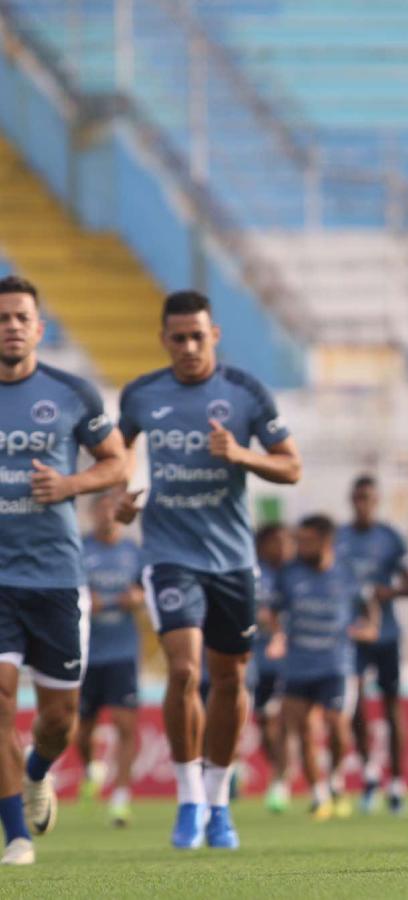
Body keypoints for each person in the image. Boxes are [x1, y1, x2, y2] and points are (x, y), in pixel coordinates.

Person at [116, 290, 301, 850]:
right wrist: (124, 491)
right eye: (179, 337)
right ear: (164, 339)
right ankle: (188, 796)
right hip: (169, 555)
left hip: (232, 561)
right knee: (182, 671)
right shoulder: (142, 394)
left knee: (229, 678)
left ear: (214, 335)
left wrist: (242, 455)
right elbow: (116, 452)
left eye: (199, 336)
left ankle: (219, 802)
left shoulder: (245, 393)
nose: (190, 346)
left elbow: (291, 467)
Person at [0, 275, 126, 866]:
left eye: (22, 317)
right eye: (3, 318)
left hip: (54, 576)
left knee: (59, 720)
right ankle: (15, 838)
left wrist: (70, 484)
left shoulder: (73, 393)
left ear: (39, 328)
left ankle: (37, 771)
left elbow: (117, 462)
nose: (12, 326)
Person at [267, 514, 376, 821]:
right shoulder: (288, 574)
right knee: (301, 729)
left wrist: (369, 628)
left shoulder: (346, 572)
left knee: (337, 726)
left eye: (308, 540)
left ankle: (336, 778)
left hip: (336, 663)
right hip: (298, 665)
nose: (301, 546)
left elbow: (368, 607)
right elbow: (272, 611)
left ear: (326, 542)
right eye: (299, 540)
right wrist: (277, 635)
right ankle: (319, 794)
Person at [335, 475, 408, 816]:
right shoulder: (339, 539)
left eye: (369, 498)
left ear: (376, 501)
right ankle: (368, 772)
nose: (363, 504)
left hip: (387, 634)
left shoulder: (390, 538)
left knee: (392, 706)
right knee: (353, 706)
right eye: (358, 499)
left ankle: (397, 781)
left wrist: (388, 593)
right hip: (351, 634)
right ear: (352, 501)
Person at [75, 492, 144, 828]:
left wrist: (138, 597)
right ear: (91, 514)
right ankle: (91, 767)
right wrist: (85, 601)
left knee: (125, 724)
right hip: (86, 652)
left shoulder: (134, 551)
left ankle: (121, 798)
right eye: (100, 509)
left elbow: (150, 589)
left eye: (111, 510)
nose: (106, 516)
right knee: (81, 729)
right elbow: (67, 591)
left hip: (122, 652)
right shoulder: (79, 549)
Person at [253, 523, 294, 814]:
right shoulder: (256, 574)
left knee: (290, 721)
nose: (281, 548)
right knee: (265, 721)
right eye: (275, 542)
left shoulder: (296, 573)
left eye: (285, 541)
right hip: (259, 659)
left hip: (294, 661)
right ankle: (277, 771)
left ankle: (282, 780)